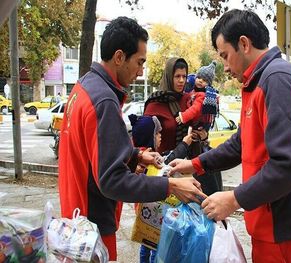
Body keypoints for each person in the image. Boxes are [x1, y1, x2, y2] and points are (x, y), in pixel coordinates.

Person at [169, 9, 291, 262]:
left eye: (225, 56)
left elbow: (290, 165)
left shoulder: (277, 79)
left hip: (288, 229)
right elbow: (240, 144)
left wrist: (234, 198)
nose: (225, 66)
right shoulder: (256, 83)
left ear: (244, 44)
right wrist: (195, 164)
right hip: (270, 225)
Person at [58, 17, 206, 261]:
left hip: (76, 215)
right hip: (91, 226)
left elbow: (92, 150)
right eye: (139, 62)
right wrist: (170, 185)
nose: (140, 72)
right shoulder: (104, 101)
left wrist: (135, 155)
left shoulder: (84, 87)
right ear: (119, 57)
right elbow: (111, 180)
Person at [144, 57, 222, 196]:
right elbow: (146, 146)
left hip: (190, 171)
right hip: (164, 170)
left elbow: (199, 122)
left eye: (184, 76)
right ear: (169, 76)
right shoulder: (154, 104)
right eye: (177, 76)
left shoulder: (190, 99)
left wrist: (203, 134)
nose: (181, 80)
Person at [128, 114, 193, 263]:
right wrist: (184, 143)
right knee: (156, 240)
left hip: (142, 209)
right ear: (148, 136)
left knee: (145, 242)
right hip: (153, 209)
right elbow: (169, 160)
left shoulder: (136, 154)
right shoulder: (148, 157)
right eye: (157, 133)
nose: (160, 136)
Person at [176, 61, 219, 131]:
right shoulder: (194, 91)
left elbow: (195, 109)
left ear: (209, 84)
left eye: (204, 80)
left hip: (196, 124)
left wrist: (183, 116)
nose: (200, 81)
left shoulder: (202, 95)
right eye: (199, 77)